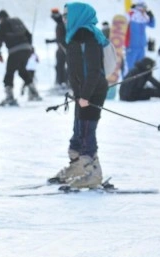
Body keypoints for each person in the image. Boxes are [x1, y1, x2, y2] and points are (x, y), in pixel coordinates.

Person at [49, 2, 108, 189]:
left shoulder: (87, 37)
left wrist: (85, 95)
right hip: (82, 93)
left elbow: (94, 70)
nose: (64, 19)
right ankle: (77, 167)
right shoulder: (75, 36)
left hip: (91, 93)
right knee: (78, 131)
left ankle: (92, 172)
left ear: (77, 16)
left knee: (86, 132)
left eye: (67, 16)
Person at [0, 9, 41, 106]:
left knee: (9, 73)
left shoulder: (2, 24)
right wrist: (30, 47)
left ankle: (9, 97)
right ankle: (34, 92)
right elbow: (29, 35)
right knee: (22, 70)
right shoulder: (17, 21)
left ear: (0, 18)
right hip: (27, 49)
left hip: (15, 51)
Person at [125, 0, 155, 73]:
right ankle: (128, 83)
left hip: (141, 46)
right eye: (144, 7)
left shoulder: (144, 16)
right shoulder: (131, 14)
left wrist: (152, 17)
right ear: (139, 7)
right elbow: (122, 23)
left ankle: (138, 83)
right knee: (131, 67)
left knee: (140, 67)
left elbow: (152, 25)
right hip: (132, 45)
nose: (145, 9)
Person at [45, 8, 69, 91]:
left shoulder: (62, 23)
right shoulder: (61, 23)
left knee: (61, 66)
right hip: (62, 48)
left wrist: (51, 41)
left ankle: (63, 83)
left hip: (64, 48)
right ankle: (62, 82)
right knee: (60, 66)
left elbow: (62, 38)